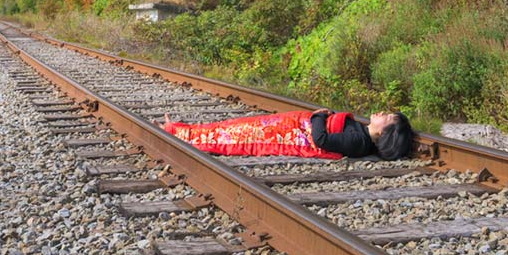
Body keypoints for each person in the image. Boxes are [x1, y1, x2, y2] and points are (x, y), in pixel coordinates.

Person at [162, 108, 414, 161]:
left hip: (287, 133)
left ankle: (179, 132)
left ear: (386, 131)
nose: (381, 112)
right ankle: (181, 130)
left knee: (235, 134)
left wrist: (317, 116)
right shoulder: (360, 133)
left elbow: (321, 140)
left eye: (387, 116)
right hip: (287, 127)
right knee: (233, 128)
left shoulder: (359, 141)